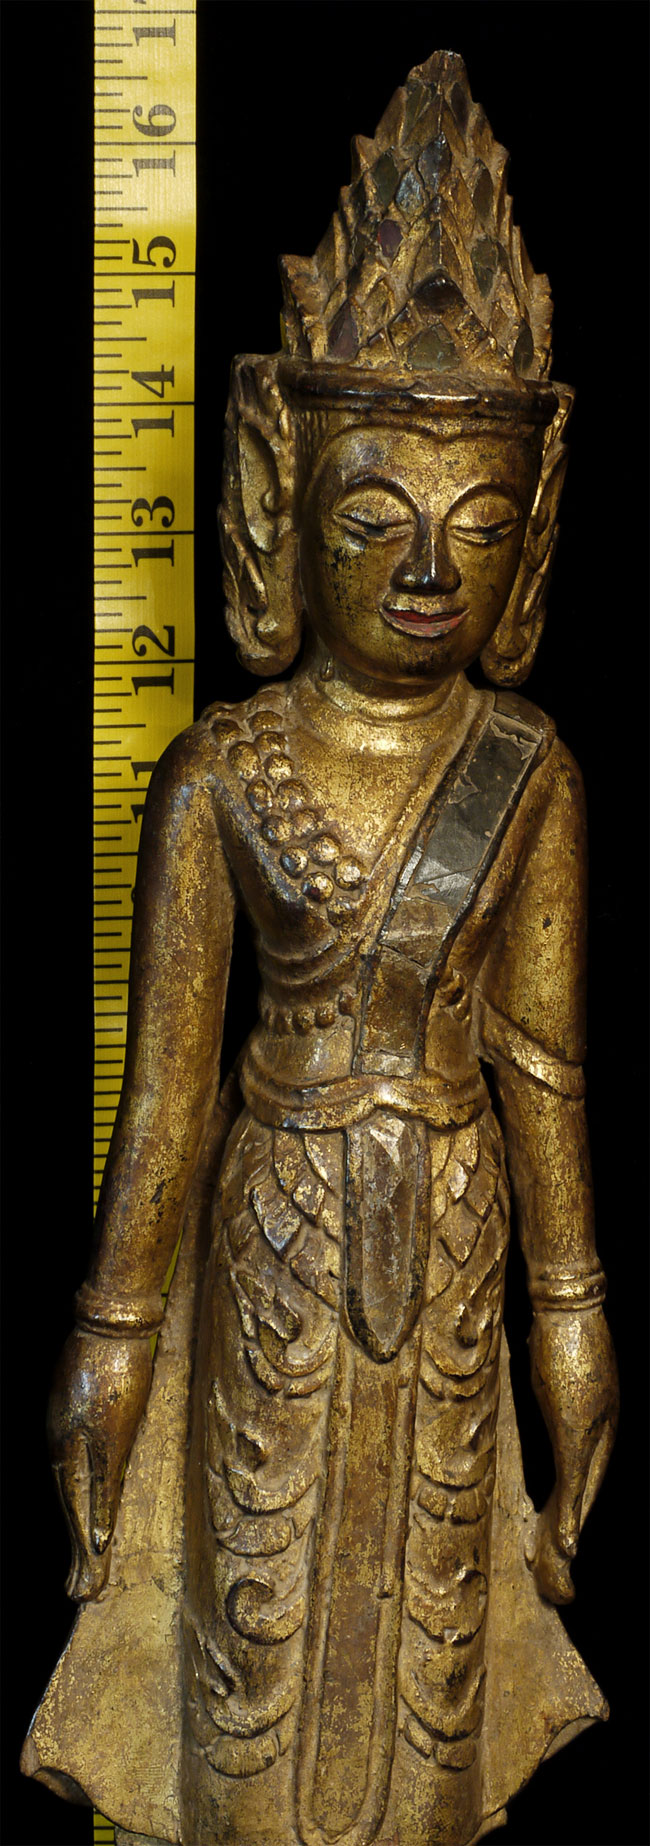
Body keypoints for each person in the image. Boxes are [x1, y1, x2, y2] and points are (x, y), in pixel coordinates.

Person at [23, 50, 618, 1846]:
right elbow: (164, 1102)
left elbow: (540, 1069)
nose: (427, 567)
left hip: (449, 1238)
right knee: (252, 1630)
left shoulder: (527, 771)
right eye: (374, 518)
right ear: (285, 506)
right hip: (271, 1237)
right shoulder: (220, 774)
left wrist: (571, 1313)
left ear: (528, 540)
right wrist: (111, 1335)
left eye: (475, 526)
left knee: (431, 1645)